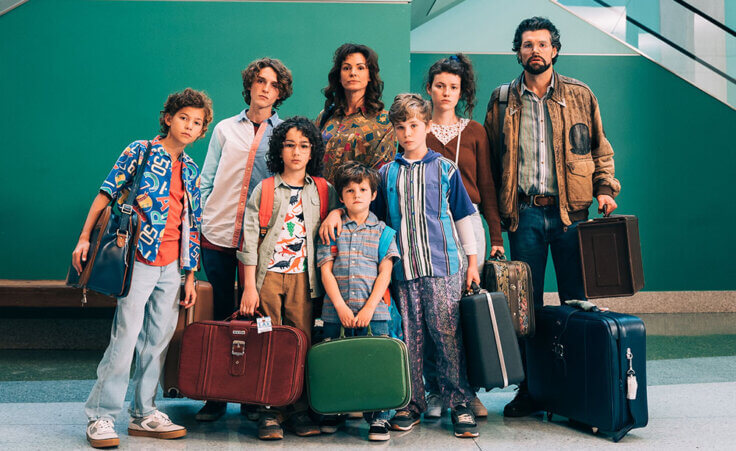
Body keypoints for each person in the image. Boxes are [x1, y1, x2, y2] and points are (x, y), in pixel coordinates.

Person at [484, 16, 621, 418]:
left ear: (555, 50)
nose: (535, 51)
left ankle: (578, 387)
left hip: (572, 216)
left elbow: (602, 150)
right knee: (523, 309)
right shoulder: (501, 99)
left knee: (577, 302)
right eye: (527, 44)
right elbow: (492, 162)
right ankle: (532, 388)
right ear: (518, 51)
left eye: (543, 44)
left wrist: (604, 189)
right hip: (525, 215)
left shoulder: (580, 94)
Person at [71, 88, 213, 448]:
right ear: (168, 118)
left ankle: (145, 412)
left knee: (157, 341)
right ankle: (101, 417)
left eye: (197, 123)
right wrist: (85, 237)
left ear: (201, 132)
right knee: (126, 337)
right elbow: (106, 193)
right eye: (183, 118)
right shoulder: (141, 151)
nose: (189, 126)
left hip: (173, 267)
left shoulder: (192, 170)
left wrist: (190, 275)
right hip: (138, 259)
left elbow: (192, 223)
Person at [376, 93, 480, 438]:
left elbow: (464, 216)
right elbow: (379, 225)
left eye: (415, 125)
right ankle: (411, 402)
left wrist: (472, 262)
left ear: (427, 126)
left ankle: (459, 402)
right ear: (394, 130)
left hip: (444, 266)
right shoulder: (386, 173)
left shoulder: (445, 168)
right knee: (410, 338)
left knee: (447, 336)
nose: (408, 132)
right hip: (404, 271)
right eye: (401, 126)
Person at [195, 57, 293, 423]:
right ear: (249, 85)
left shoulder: (284, 135)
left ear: (280, 93)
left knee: (258, 318)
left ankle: (253, 396)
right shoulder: (223, 129)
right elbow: (206, 180)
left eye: (273, 84)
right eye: (260, 81)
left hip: (260, 243)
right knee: (222, 315)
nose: (265, 88)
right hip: (218, 234)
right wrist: (201, 221)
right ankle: (216, 394)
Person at [237, 116, 337, 440]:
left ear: (313, 152)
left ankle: (297, 409)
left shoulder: (323, 190)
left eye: (304, 146)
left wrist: (334, 212)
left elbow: (335, 225)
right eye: (290, 145)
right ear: (280, 150)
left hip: (304, 283)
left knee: (300, 342)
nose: (296, 152)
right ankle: (269, 410)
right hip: (266, 281)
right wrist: (249, 287)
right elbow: (249, 242)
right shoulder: (265, 190)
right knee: (268, 340)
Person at [422, 53, 505, 420]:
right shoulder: (417, 129)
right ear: (429, 88)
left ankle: (468, 392)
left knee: (462, 309)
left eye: (453, 87)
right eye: (439, 85)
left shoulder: (474, 132)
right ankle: (438, 388)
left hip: (468, 223)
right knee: (431, 311)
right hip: (427, 225)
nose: (445, 92)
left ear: (461, 91)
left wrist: (497, 236)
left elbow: (487, 185)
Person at [315, 161, 400, 441]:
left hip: (374, 314)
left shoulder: (383, 231)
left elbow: (385, 273)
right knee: (336, 362)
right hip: (334, 312)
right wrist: (339, 306)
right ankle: (333, 409)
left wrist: (369, 308)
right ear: (341, 197)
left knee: (374, 364)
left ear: (374, 194)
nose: (357, 195)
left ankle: (379, 417)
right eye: (350, 191)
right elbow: (325, 269)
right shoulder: (331, 229)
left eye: (363, 189)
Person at [316, 43, 396, 184]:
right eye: (346, 68)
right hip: (320, 200)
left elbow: (381, 175)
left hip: (359, 201)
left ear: (370, 75)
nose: (353, 73)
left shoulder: (385, 121)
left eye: (360, 68)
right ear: (339, 76)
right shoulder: (325, 116)